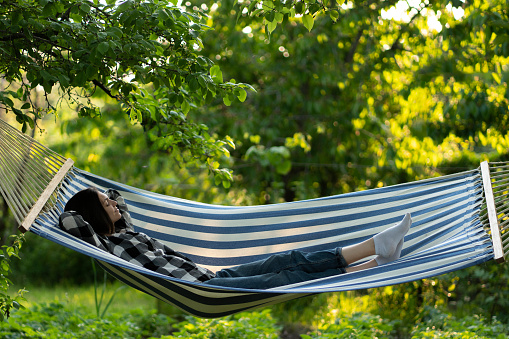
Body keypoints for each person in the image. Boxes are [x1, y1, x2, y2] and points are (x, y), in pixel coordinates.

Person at [60, 187, 412, 290]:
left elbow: (116, 196)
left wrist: (103, 196)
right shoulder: (105, 244)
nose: (113, 204)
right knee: (283, 279)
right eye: (104, 204)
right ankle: (375, 256)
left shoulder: (126, 231)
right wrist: (68, 192)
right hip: (205, 292)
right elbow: (71, 219)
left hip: (211, 278)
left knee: (283, 260)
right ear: (93, 214)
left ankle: (375, 257)